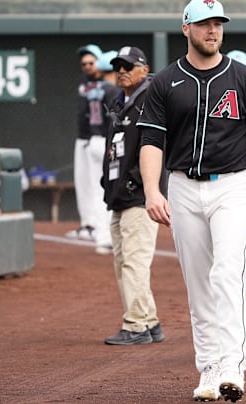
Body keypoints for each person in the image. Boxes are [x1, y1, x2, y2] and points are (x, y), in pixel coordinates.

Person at [136, 0, 246, 402]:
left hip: (233, 185)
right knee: (199, 284)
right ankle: (210, 368)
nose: (212, 30)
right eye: (203, 23)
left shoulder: (244, 78)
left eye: (217, 23)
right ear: (186, 28)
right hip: (182, 186)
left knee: (226, 274)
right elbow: (150, 140)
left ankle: (233, 365)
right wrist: (152, 190)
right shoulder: (165, 82)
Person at [100, 46, 166, 345]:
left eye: (128, 65)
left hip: (139, 197)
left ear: (144, 69)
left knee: (133, 263)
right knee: (123, 262)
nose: (122, 70)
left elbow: (155, 147)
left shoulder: (149, 100)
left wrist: (137, 184)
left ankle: (136, 325)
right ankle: (149, 321)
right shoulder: (120, 102)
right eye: (118, 66)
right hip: (119, 196)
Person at [69, 44, 118, 255]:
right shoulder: (114, 90)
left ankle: (101, 234)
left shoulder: (93, 90)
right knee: (111, 189)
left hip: (93, 141)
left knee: (98, 191)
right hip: (108, 142)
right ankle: (109, 235)